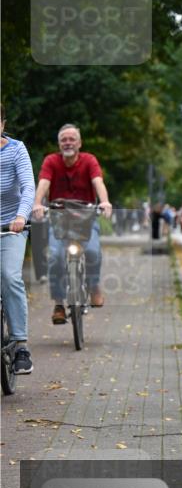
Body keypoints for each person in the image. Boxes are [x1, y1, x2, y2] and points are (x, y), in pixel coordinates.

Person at [32, 124, 113, 324]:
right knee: (55, 258)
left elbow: (98, 182)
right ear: (59, 144)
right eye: (63, 140)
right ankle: (59, 304)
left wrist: (104, 202)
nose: (68, 143)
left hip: (86, 219)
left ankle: (93, 286)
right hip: (59, 219)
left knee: (93, 252)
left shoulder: (89, 160)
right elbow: (44, 183)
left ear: (79, 143)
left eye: (72, 139)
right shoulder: (51, 161)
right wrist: (37, 203)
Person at [0, 103, 36, 374]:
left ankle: (20, 345)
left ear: (3, 124)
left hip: (10, 228)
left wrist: (22, 217)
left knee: (10, 276)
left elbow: (28, 187)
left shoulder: (16, 150)